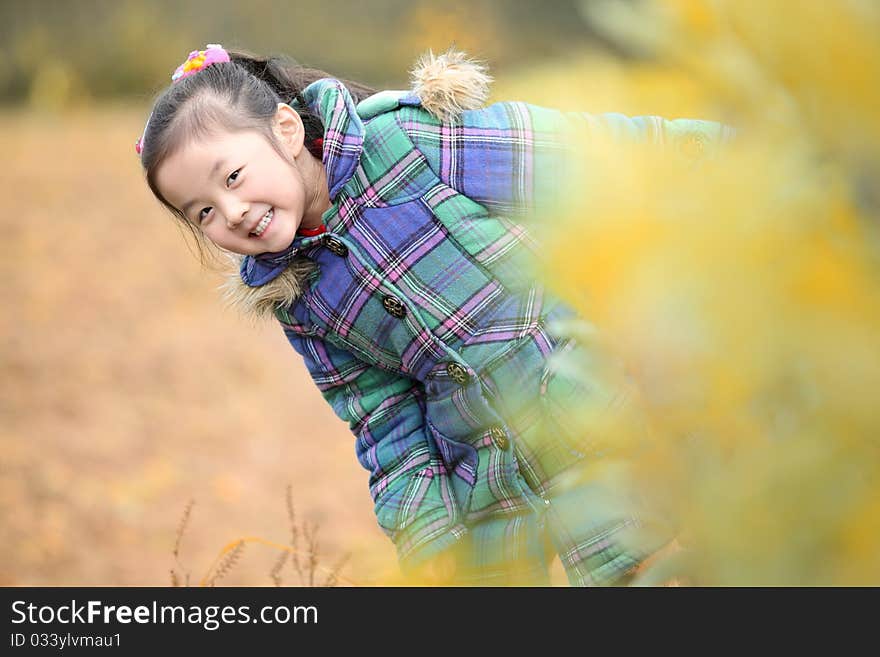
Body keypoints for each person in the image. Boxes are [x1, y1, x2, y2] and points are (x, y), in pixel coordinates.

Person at [137, 43, 734, 585]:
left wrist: (742, 156)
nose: (232, 212)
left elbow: (590, 159)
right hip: (489, 482)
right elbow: (384, 422)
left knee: (653, 567)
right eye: (203, 213)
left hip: (597, 406)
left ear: (287, 129)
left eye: (233, 177)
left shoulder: (410, 144)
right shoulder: (294, 294)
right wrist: (429, 545)